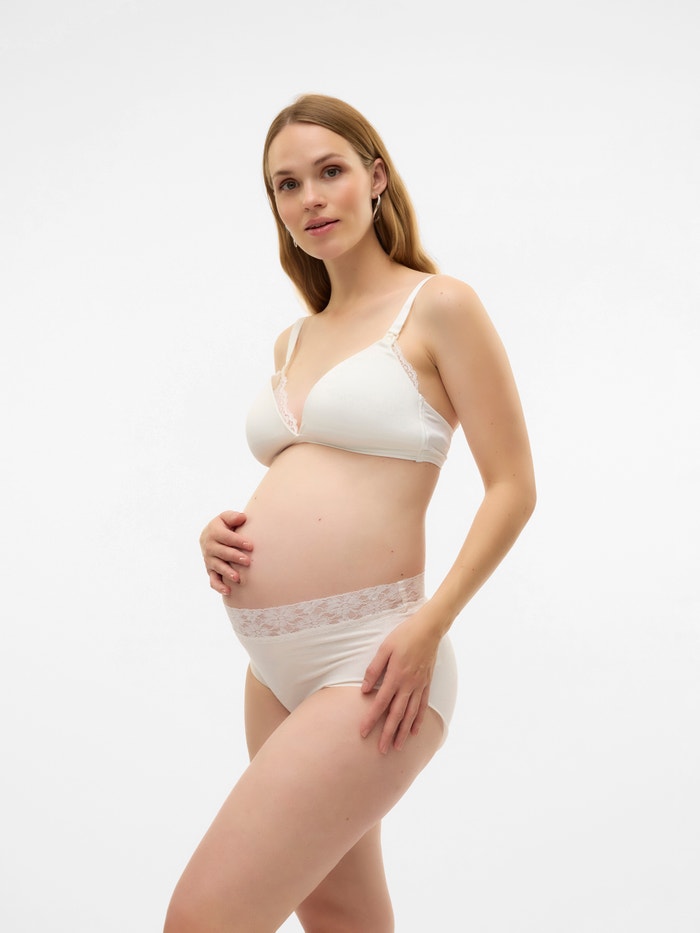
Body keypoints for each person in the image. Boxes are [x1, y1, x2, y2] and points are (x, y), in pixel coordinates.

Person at [164, 94, 536, 933]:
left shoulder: (439, 306)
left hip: (374, 660)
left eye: (329, 171)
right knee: (341, 917)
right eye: (287, 184)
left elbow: (514, 486)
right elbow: (311, 476)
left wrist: (430, 623)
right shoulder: (294, 341)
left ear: (375, 178)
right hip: (272, 673)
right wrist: (218, 537)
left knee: (202, 917)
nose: (311, 198)